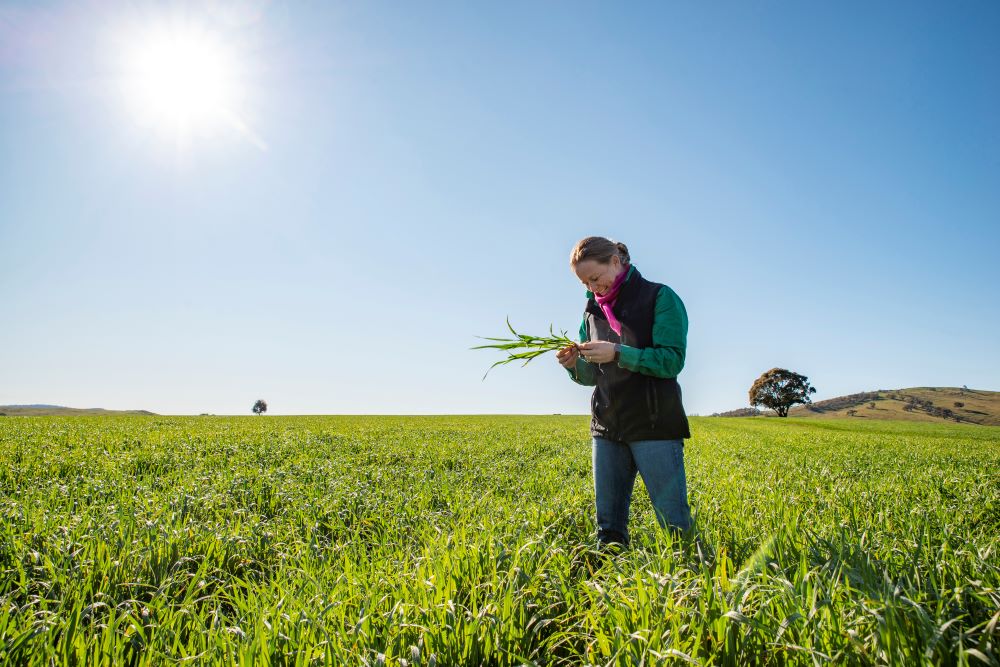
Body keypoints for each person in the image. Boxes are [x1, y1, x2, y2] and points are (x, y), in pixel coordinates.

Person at [555, 236, 693, 548]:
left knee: (675, 527)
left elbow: (672, 361)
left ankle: (693, 589)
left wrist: (618, 352)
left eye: (595, 278)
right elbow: (592, 376)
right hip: (607, 427)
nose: (592, 288)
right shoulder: (591, 312)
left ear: (616, 262)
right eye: (584, 283)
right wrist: (573, 365)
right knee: (608, 531)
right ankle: (609, 588)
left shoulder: (660, 297)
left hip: (654, 426)